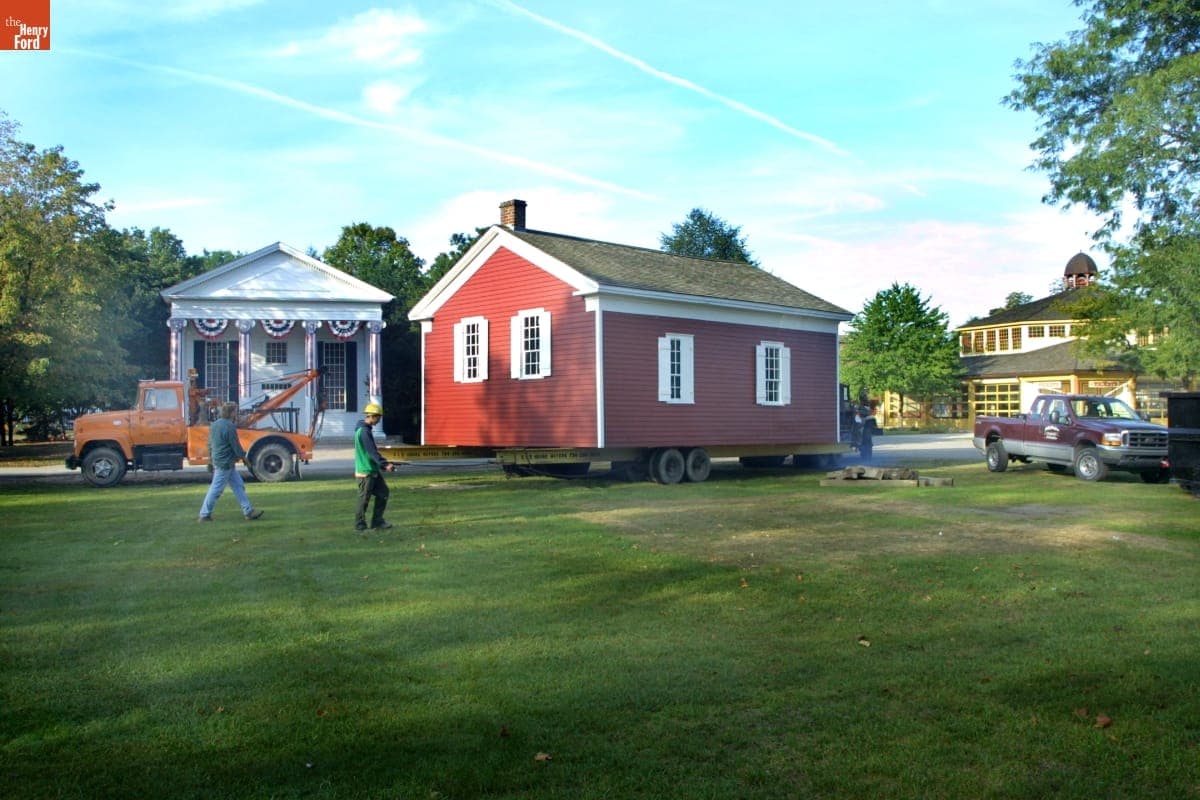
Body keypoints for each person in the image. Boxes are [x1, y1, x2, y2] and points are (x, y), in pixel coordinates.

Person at [198, 401, 263, 522]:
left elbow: (210, 444)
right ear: (231, 413)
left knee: (238, 485)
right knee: (216, 489)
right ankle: (204, 514)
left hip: (220, 460)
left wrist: (210, 460)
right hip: (225, 462)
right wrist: (245, 459)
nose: (236, 414)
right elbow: (235, 445)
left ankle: (248, 511)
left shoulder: (214, 425)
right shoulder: (229, 426)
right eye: (235, 412)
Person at [355, 402, 395, 531]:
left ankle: (377, 521)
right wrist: (385, 464)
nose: (379, 420)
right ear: (372, 416)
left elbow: (372, 453)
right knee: (364, 499)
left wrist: (383, 465)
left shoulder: (363, 429)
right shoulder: (364, 431)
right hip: (365, 471)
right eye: (378, 417)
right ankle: (360, 525)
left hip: (372, 470)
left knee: (383, 492)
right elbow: (372, 452)